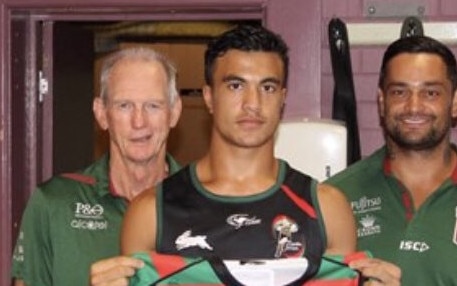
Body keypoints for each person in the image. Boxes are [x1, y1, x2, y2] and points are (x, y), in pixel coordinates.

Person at [121, 25, 400, 285]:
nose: (252, 104)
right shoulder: (150, 213)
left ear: (282, 98)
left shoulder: (327, 209)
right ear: (208, 96)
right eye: (235, 86)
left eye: (267, 87)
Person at [325, 35, 457, 285]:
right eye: (399, 92)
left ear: (455, 102)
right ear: (381, 101)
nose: (413, 106)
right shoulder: (335, 197)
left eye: (431, 93)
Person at [11, 47, 183, 286]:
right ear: (102, 114)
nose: (139, 121)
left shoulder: (207, 204)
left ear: (174, 113)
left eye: (153, 106)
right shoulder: (53, 205)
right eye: (124, 105)